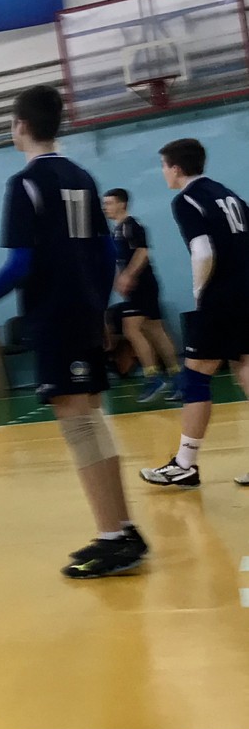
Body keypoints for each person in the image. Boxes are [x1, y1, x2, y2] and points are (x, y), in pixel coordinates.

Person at [0, 84, 147, 579]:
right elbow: (105, 254)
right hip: (83, 312)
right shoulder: (81, 177)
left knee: (78, 424)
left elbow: (22, 262)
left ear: (20, 125)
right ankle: (123, 528)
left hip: (55, 315)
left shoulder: (26, 184)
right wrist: (99, 310)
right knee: (93, 420)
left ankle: (112, 537)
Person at [140, 138, 249, 489]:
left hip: (221, 297)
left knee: (196, 377)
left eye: (163, 166)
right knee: (244, 367)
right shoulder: (228, 195)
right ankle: (185, 464)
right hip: (246, 292)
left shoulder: (187, 199)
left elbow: (203, 251)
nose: (163, 173)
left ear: (176, 168)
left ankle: (185, 464)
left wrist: (200, 292)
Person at [101, 188, 181, 403]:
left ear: (122, 204)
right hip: (140, 287)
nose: (105, 207)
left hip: (143, 285)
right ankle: (178, 377)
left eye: (109, 203)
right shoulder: (116, 231)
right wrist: (119, 278)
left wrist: (128, 275)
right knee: (155, 331)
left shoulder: (131, 225)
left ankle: (153, 377)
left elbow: (142, 252)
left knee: (131, 328)